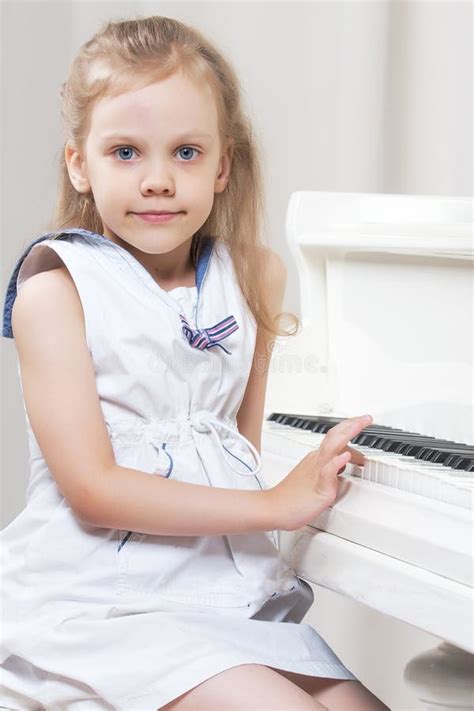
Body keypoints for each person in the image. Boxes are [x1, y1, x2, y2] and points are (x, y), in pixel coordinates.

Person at [0, 14, 389, 711]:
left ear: (222, 165)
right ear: (79, 163)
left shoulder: (253, 276)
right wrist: (274, 504)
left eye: (185, 152)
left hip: (224, 597)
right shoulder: (55, 290)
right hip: (104, 604)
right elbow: (92, 487)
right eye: (125, 152)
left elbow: (240, 445)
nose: (157, 180)